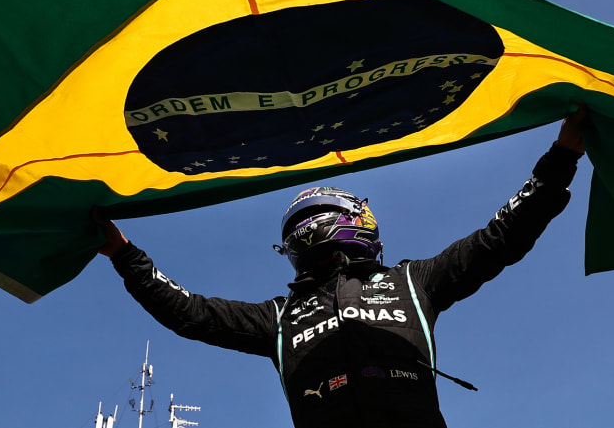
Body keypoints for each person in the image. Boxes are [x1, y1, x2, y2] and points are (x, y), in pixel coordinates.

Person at [95, 109, 586, 428]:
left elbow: (502, 237)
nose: (311, 225)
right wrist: (123, 253)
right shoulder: (279, 317)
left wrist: (563, 155)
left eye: (319, 214)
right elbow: (188, 312)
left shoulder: (412, 282)